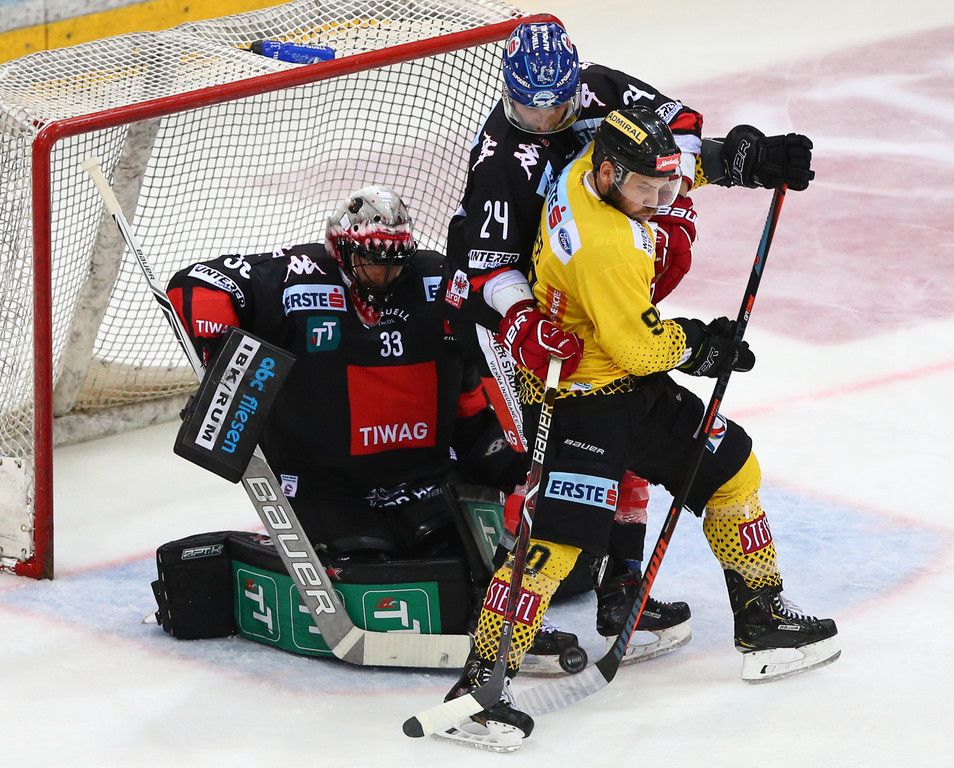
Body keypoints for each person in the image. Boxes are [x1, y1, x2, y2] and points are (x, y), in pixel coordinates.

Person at [441, 107, 839, 749]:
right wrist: (702, 344)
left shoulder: (589, 164)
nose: (659, 203)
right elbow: (640, 347)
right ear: (608, 174)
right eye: (646, 191)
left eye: (664, 187)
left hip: (629, 391)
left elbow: (667, 172)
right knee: (554, 545)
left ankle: (761, 616)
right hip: (580, 403)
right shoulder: (607, 246)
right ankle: (479, 687)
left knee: (731, 470)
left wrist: (745, 164)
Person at [164, 185, 585, 664]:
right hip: (327, 487)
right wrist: (222, 363)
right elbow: (195, 283)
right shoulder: (298, 276)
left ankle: (521, 610)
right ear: (342, 250)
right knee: (366, 566)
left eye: (394, 261)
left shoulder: (435, 277)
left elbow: (494, 318)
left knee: (471, 553)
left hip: (426, 480)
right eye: (370, 261)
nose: (384, 274)